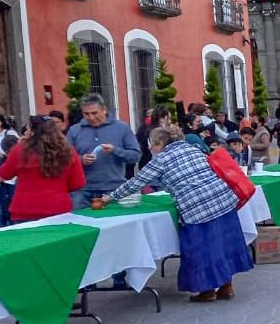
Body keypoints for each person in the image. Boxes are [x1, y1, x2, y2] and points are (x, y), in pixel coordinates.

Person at [105, 126, 252, 302]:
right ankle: (226, 286)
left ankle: (207, 290)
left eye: (152, 144)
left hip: (196, 207)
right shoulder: (192, 148)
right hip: (222, 199)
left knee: (200, 250)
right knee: (223, 245)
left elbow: (136, 182)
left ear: (160, 144)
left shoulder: (161, 160)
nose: (151, 149)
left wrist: (111, 197)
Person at [0, 116, 87, 222]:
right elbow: (78, 183)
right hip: (58, 207)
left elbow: (5, 174)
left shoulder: (19, 149)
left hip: (25, 208)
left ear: (32, 131)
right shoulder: (68, 150)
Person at [66, 94, 141, 211]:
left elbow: (135, 156)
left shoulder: (121, 128)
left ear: (104, 110)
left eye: (94, 113)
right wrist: (80, 160)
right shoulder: (74, 130)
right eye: (86, 114)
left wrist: (115, 151)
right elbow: (64, 159)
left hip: (113, 189)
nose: (90, 117)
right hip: (82, 191)